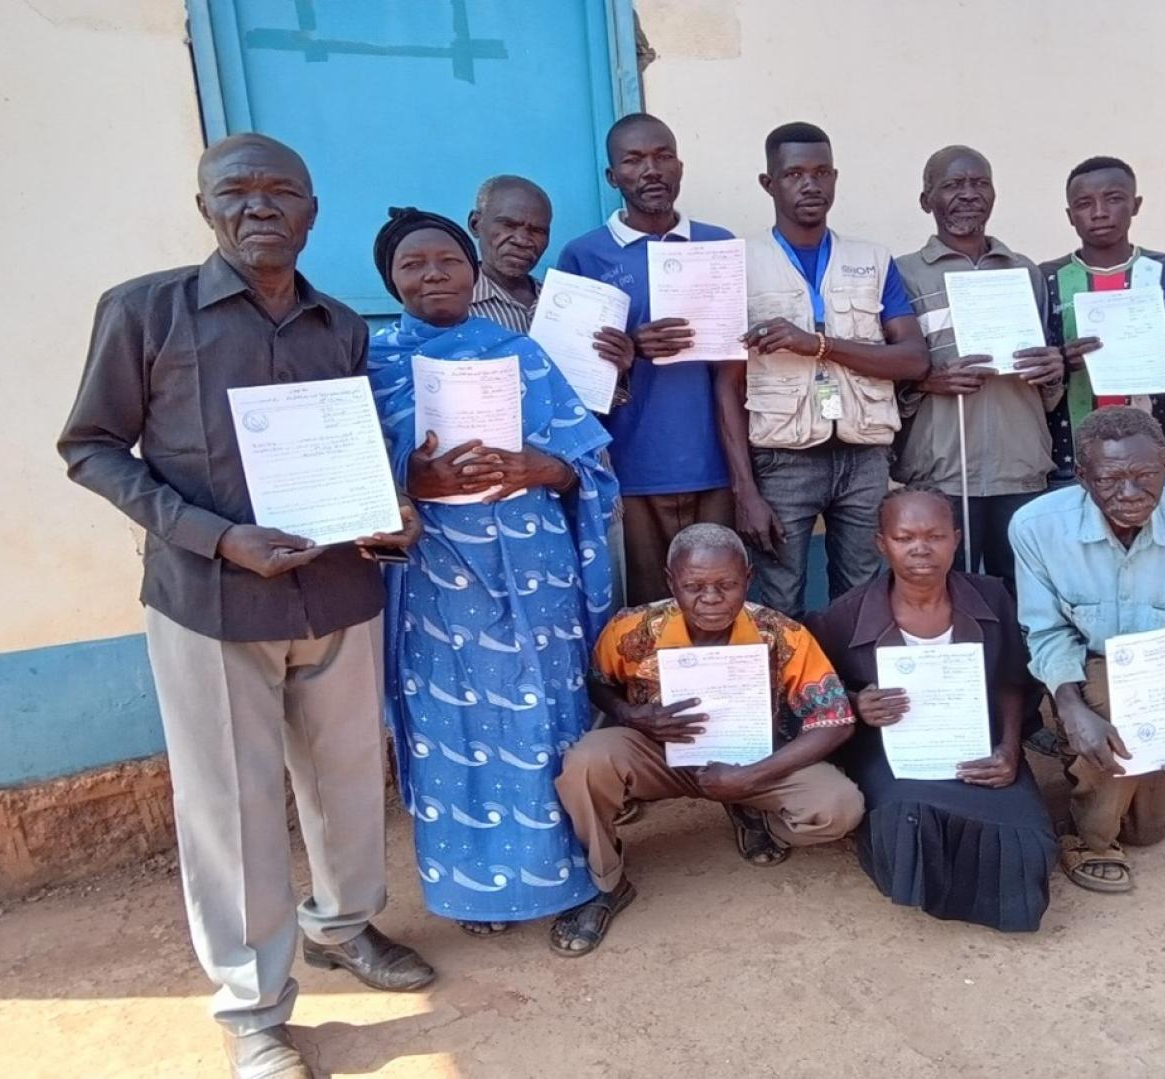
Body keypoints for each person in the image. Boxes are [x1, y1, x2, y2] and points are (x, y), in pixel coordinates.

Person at [57, 134, 431, 1079]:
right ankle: (254, 1009)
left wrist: (387, 512)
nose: (260, 207)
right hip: (210, 599)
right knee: (234, 806)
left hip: (340, 588)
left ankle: (342, 925)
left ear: (311, 213)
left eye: (282, 193)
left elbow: (344, 453)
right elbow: (93, 448)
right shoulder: (145, 312)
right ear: (204, 209)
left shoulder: (340, 325)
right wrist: (218, 536)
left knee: (349, 781)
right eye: (237, 192)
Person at [366, 207, 619, 942]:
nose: (433, 273)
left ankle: (576, 879)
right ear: (391, 280)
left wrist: (536, 466)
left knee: (547, 721)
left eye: (447, 260)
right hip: (434, 585)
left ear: (472, 271)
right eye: (413, 264)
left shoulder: (524, 355)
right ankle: (479, 890)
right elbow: (350, 479)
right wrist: (407, 475)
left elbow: (590, 466)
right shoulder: (374, 366)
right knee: (453, 729)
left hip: (535, 576)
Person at [553, 524, 863, 955]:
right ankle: (605, 882)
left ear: (748, 579)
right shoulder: (634, 628)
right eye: (694, 586)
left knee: (838, 807)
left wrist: (749, 777)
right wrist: (630, 714)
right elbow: (596, 682)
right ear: (670, 581)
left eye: (726, 585)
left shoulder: (782, 633)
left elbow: (836, 720)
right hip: (660, 758)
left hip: (752, 763)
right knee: (586, 761)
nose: (712, 599)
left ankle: (753, 812)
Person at [806, 486, 1056, 931]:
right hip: (895, 753)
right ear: (882, 544)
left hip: (981, 745)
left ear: (956, 539)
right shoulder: (845, 616)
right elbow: (815, 694)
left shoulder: (993, 598)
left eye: (935, 536)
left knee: (1026, 841)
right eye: (905, 538)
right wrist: (856, 703)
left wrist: (1010, 750)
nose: (920, 548)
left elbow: (1011, 682)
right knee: (907, 822)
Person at [1010, 407, 1165, 894]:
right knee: (1109, 698)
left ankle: (1117, 794)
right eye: (1110, 479)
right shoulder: (1036, 527)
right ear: (1083, 477)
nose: (1130, 494)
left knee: (1148, 831)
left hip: (1163, 681)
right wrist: (1070, 709)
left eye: (1144, 476)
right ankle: (1088, 838)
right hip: (1084, 673)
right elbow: (1046, 632)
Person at [718, 122, 930, 619]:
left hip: (865, 458)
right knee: (778, 600)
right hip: (782, 460)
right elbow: (725, 385)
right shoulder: (738, 262)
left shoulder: (873, 260)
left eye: (820, 172)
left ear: (835, 178)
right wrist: (744, 490)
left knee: (862, 597)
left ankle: (851, 695)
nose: (809, 184)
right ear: (768, 184)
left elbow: (913, 360)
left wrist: (817, 344)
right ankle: (791, 698)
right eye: (793, 173)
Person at [556, 112, 737, 605]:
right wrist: (629, 350)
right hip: (631, 466)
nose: (651, 170)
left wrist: (746, 478)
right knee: (647, 612)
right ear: (613, 177)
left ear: (680, 166)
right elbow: (570, 378)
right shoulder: (584, 256)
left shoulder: (718, 245)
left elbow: (733, 369)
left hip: (713, 464)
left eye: (662, 156)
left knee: (716, 605)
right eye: (634, 160)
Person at [892, 145, 1066, 588]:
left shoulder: (1025, 272)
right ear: (926, 199)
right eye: (952, 185)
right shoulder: (903, 275)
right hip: (943, 470)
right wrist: (928, 380)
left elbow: (1047, 386)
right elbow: (887, 376)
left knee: (1023, 594)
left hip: (1020, 465)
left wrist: (1053, 368)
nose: (969, 194)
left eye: (979, 183)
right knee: (948, 591)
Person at [1041, 157, 1165, 489]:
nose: (1099, 212)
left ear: (1136, 204)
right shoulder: (1046, 278)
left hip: (1149, 461)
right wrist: (1062, 360)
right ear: (1070, 215)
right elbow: (1037, 371)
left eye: (1114, 198)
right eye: (1084, 204)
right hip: (1067, 463)